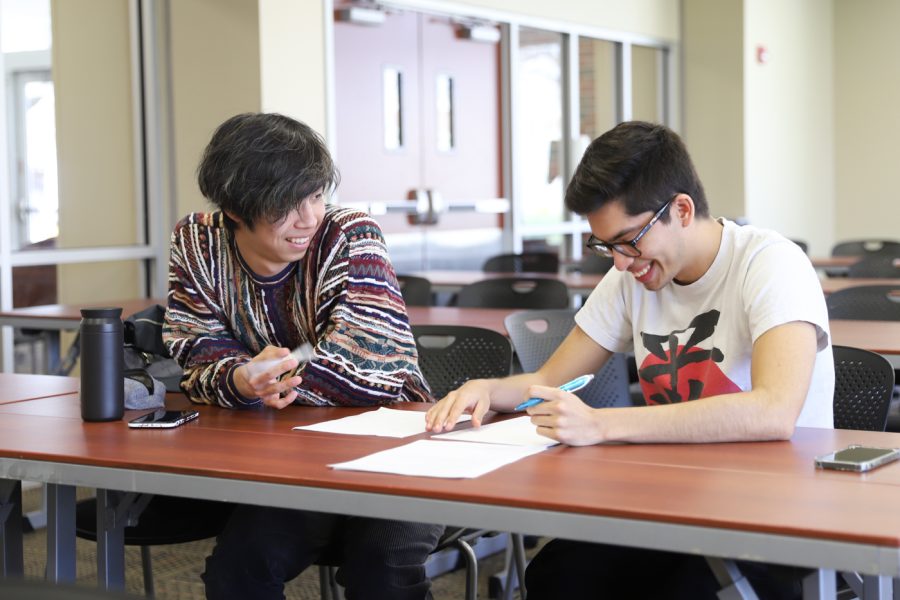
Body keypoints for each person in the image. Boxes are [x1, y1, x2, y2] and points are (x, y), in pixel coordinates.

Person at [425, 121, 834, 599]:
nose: (619, 262)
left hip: (777, 510)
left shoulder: (770, 264)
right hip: (675, 501)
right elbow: (549, 378)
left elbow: (774, 411)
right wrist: (489, 390)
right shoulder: (631, 278)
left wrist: (601, 425)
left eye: (628, 239)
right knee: (557, 577)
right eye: (606, 246)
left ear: (681, 210)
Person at [163, 112, 443, 600]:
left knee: (380, 567)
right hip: (288, 455)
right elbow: (192, 350)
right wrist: (238, 380)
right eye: (285, 205)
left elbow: (369, 367)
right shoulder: (197, 241)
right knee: (238, 570)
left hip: (397, 446)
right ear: (234, 208)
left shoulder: (348, 234)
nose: (308, 218)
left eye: (315, 195)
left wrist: (255, 382)